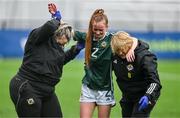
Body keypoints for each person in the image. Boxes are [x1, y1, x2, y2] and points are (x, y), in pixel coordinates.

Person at [9, 3, 84, 117]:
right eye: (60, 42)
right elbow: (49, 27)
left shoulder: (57, 48)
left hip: (47, 90)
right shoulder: (37, 37)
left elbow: (60, 60)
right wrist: (56, 19)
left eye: (64, 44)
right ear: (54, 35)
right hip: (27, 86)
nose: (62, 46)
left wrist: (77, 48)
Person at [72, 9, 138, 118]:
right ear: (92, 27)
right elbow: (69, 31)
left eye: (101, 30)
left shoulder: (112, 39)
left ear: (107, 27)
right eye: (95, 29)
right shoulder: (87, 37)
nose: (97, 32)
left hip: (105, 90)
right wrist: (56, 19)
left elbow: (134, 40)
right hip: (88, 87)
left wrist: (131, 50)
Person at [111, 31, 162, 117]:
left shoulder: (144, 57)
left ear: (129, 45)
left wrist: (148, 96)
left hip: (144, 96)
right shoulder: (116, 56)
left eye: (122, 49)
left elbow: (155, 82)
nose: (120, 53)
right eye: (118, 50)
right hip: (128, 96)